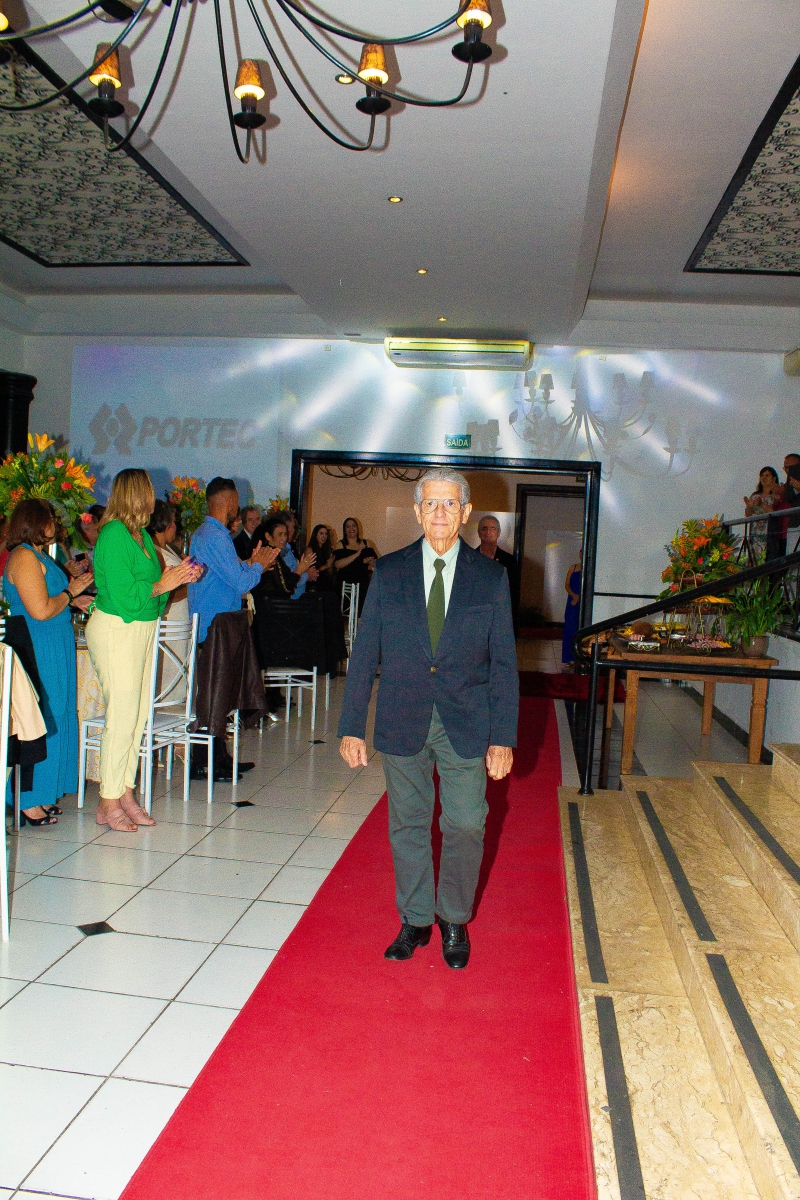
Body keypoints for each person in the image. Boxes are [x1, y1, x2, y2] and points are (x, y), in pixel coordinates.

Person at [338, 467, 518, 970]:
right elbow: (365, 652)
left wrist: (503, 737)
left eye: (450, 504)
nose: (440, 513)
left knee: (466, 822)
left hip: (467, 718)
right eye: (431, 504)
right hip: (403, 714)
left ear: (465, 512)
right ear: (418, 512)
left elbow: (504, 663)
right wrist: (351, 725)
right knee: (408, 822)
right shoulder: (389, 571)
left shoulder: (491, 577)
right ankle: (415, 919)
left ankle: (454, 917)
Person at [86, 469, 200, 832]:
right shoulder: (114, 534)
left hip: (142, 627)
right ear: (137, 495)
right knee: (121, 715)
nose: (153, 499)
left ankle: (125, 792)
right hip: (117, 628)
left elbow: (155, 590)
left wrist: (177, 579)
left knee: (137, 717)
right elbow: (125, 595)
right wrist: (163, 584)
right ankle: (108, 800)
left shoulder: (142, 537)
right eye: (148, 492)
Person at [3, 499, 94, 826]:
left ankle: (42, 793)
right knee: (38, 719)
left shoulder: (39, 554)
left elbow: (48, 600)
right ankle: (25, 798)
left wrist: (73, 599)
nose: (55, 523)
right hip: (37, 645)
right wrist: (70, 593)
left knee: (58, 714)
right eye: (50, 518)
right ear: (34, 522)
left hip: (54, 642)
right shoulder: (24, 556)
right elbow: (39, 610)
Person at [188, 477, 279, 780]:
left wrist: (252, 563)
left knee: (221, 693)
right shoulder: (214, 536)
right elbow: (240, 582)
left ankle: (218, 757)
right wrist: (257, 567)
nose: (237, 508)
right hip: (214, 626)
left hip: (219, 624)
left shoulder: (213, 535)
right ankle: (204, 762)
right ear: (227, 502)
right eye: (237, 502)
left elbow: (231, 573)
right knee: (213, 695)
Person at [147, 500, 189, 707]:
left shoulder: (169, 549)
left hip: (180, 618)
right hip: (168, 619)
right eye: (172, 521)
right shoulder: (154, 551)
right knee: (167, 672)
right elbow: (165, 591)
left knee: (180, 667)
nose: (175, 526)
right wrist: (191, 584)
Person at [334, 517, 378, 614]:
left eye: (353, 526)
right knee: (345, 614)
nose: (351, 528)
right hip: (345, 585)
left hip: (362, 583)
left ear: (358, 528)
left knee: (361, 613)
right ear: (345, 530)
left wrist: (369, 561)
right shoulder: (340, 544)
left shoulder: (366, 543)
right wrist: (357, 554)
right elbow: (338, 564)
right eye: (348, 526)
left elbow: (376, 563)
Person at [477, 515, 519, 616]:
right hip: (475, 615)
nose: (488, 532)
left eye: (493, 529)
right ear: (479, 533)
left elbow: (513, 592)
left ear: (499, 533)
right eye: (484, 529)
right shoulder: (469, 558)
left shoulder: (509, 561)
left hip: (500, 613)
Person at [745, 467, 786, 560]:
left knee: (769, 557)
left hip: (769, 532)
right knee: (755, 558)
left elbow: (774, 512)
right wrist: (750, 507)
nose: (764, 478)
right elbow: (748, 515)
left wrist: (761, 504)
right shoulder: (755, 495)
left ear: (773, 478)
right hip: (755, 533)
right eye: (762, 475)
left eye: (767, 475)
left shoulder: (775, 496)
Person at [276, 509, 318, 598]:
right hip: (291, 599)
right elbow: (288, 579)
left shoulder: (288, 548)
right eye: (293, 527)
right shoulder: (282, 551)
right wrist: (307, 575)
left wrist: (305, 569)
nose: (294, 530)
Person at [562, 551, 583, 667]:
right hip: (572, 601)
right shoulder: (573, 568)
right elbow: (567, 584)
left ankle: (580, 658)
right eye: (581, 551)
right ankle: (569, 657)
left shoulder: (589, 569)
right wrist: (574, 596)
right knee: (570, 628)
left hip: (583, 602)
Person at [306, 523, 336, 591]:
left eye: (326, 534)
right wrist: (326, 565)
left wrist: (330, 565)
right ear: (315, 535)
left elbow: (330, 572)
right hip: (314, 585)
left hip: (325, 584)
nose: (324, 536)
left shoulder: (327, 550)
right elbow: (309, 572)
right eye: (321, 533)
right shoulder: (310, 550)